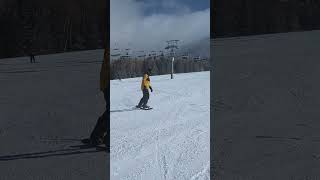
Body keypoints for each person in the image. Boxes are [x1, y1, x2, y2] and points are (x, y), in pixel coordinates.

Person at [87, 49, 109, 149]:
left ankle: (96, 137)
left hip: (107, 83)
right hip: (108, 84)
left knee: (109, 112)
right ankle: (108, 140)